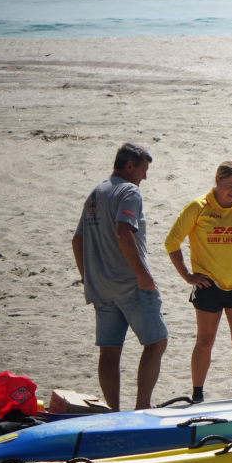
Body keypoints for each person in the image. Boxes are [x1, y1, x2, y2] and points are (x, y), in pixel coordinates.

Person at [165, 161, 232, 402]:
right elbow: (172, 242)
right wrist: (186, 275)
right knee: (205, 341)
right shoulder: (198, 207)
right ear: (217, 181)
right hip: (208, 286)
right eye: (229, 185)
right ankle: (197, 395)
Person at [72, 143, 167, 412]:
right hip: (129, 284)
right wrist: (143, 275)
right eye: (143, 170)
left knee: (110, 351)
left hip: (100, 286)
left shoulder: (96, 193)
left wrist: (87, 277)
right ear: (129, 166)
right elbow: (123, 233)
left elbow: (77, 240)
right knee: (157, 342)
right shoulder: (129, 191)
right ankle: (142, 408)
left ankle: (113, 412)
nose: (144, 177)